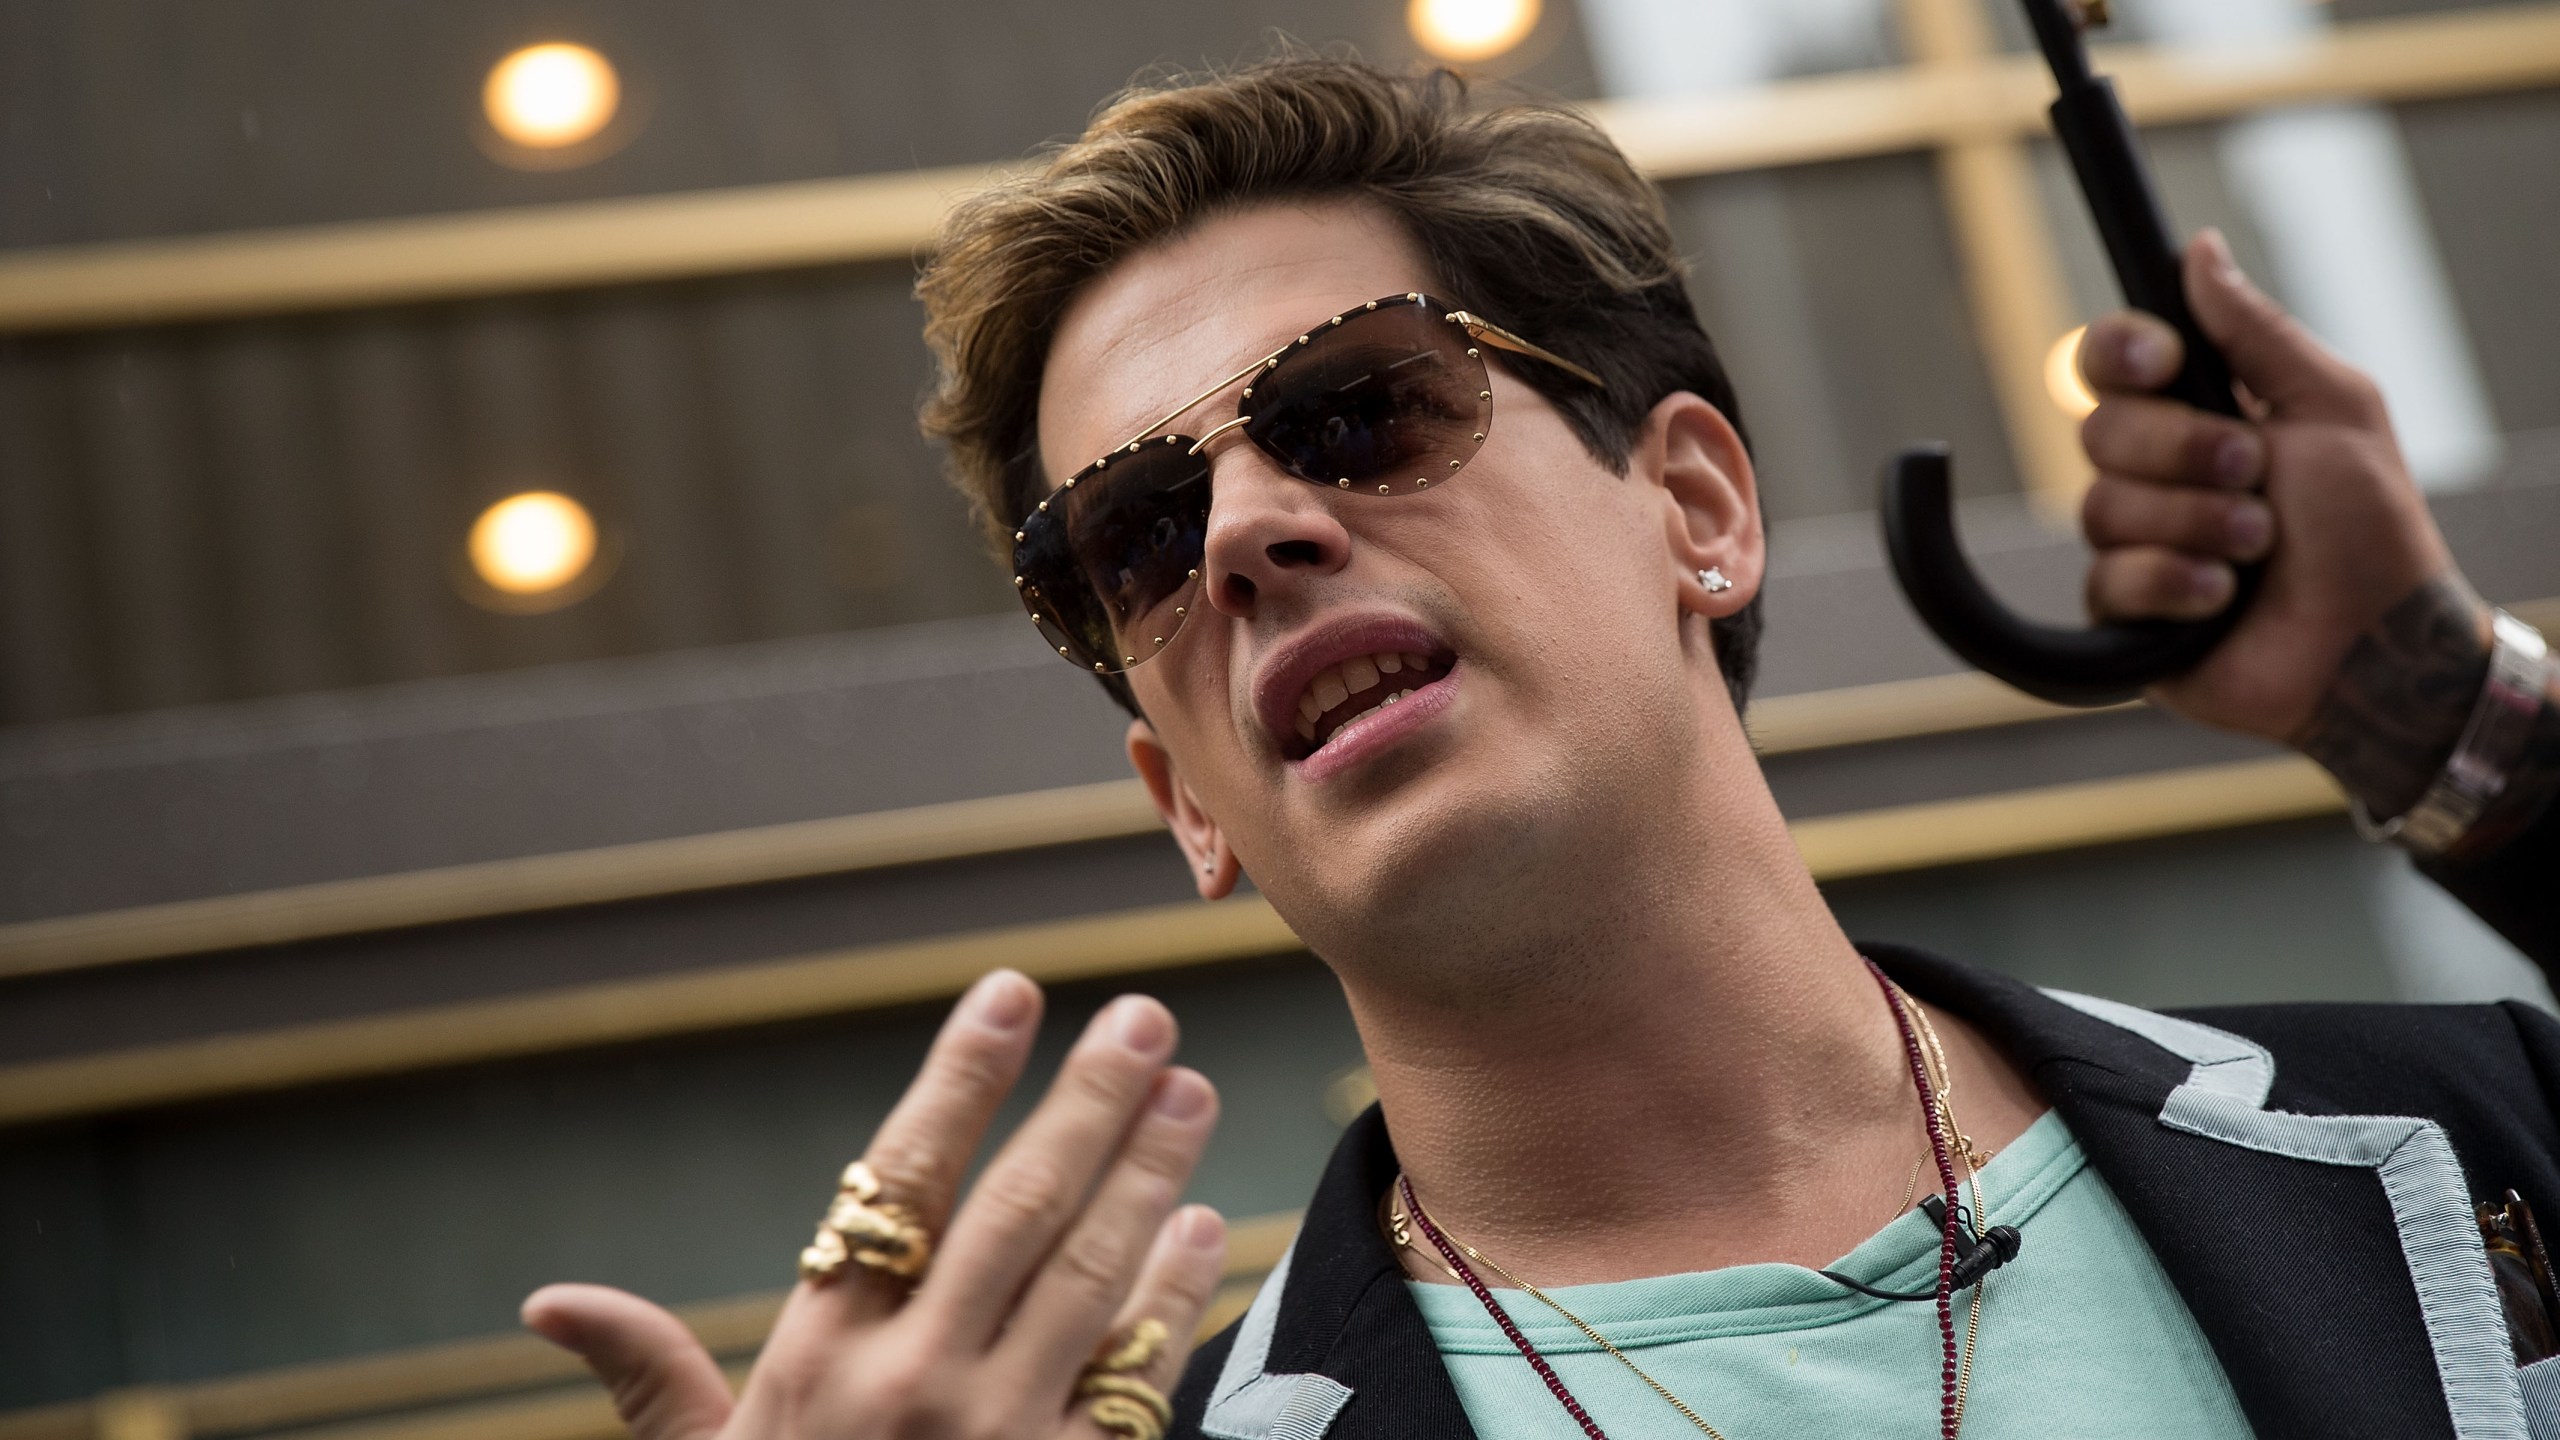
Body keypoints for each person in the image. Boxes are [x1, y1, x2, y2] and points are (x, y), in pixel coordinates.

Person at [518, 58, 2560, 1440]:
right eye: (1133, 542)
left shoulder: (2480, 1148)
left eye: (1357, 406)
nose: (1243, 531)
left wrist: (2445, 714)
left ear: (1695, 506)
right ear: (1183, 803)